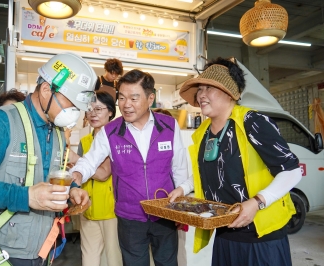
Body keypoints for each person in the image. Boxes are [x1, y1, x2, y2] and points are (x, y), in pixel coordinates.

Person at [0, 52, 97, 266]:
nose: (74, 114)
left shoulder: (56, 132)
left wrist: (72, 189)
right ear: (47, 90)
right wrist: (26, 197)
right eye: (72, 105)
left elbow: (48, 177)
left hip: (41, 251)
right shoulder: (0, 122)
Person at [179, 57, 302, 265]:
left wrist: (258, 202)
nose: (201, 94)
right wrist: (183, 188)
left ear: (229, 92)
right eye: (200, 89)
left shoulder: (253, 122)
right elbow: (208, 171)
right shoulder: (203, 133)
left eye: (209, 87)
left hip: (261, 239)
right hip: (225, 235)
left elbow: (292, 170)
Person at [71, 69, 192, 266]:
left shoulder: (169, 126)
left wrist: (181, 209)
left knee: (167, 262)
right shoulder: (110, 131)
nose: (126, 105)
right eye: (122, 98)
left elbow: (179, 169)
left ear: (150, 98)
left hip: (165, 214)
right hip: (129, 218)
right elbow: (90, 161)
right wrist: (76, 174)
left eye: (134, 98)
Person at [76, 91, 122, 266]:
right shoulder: (84, 141)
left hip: (112, 211)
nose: (93, 113)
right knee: (89, 260)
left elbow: (104, 174)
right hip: (87, 209)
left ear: (110, 111)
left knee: (113, 260)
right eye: (89, 109)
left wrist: (76, 159)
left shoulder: (116, 139)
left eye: (99, 109)